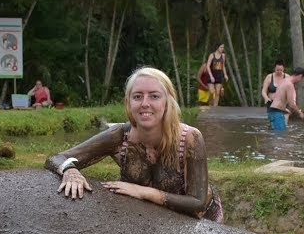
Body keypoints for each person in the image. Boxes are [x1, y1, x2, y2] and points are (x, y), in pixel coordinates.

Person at [44, 66, 223, 222]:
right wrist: (70, 170)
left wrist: (143, 192)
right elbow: (57, 158)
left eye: (154, 96)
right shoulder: (120, 135)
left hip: (199, 221)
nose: (145, 104)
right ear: (128, 103)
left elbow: (197, 203)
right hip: (149, 219)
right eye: (137, 97)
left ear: (168, 102)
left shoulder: (191, 137)